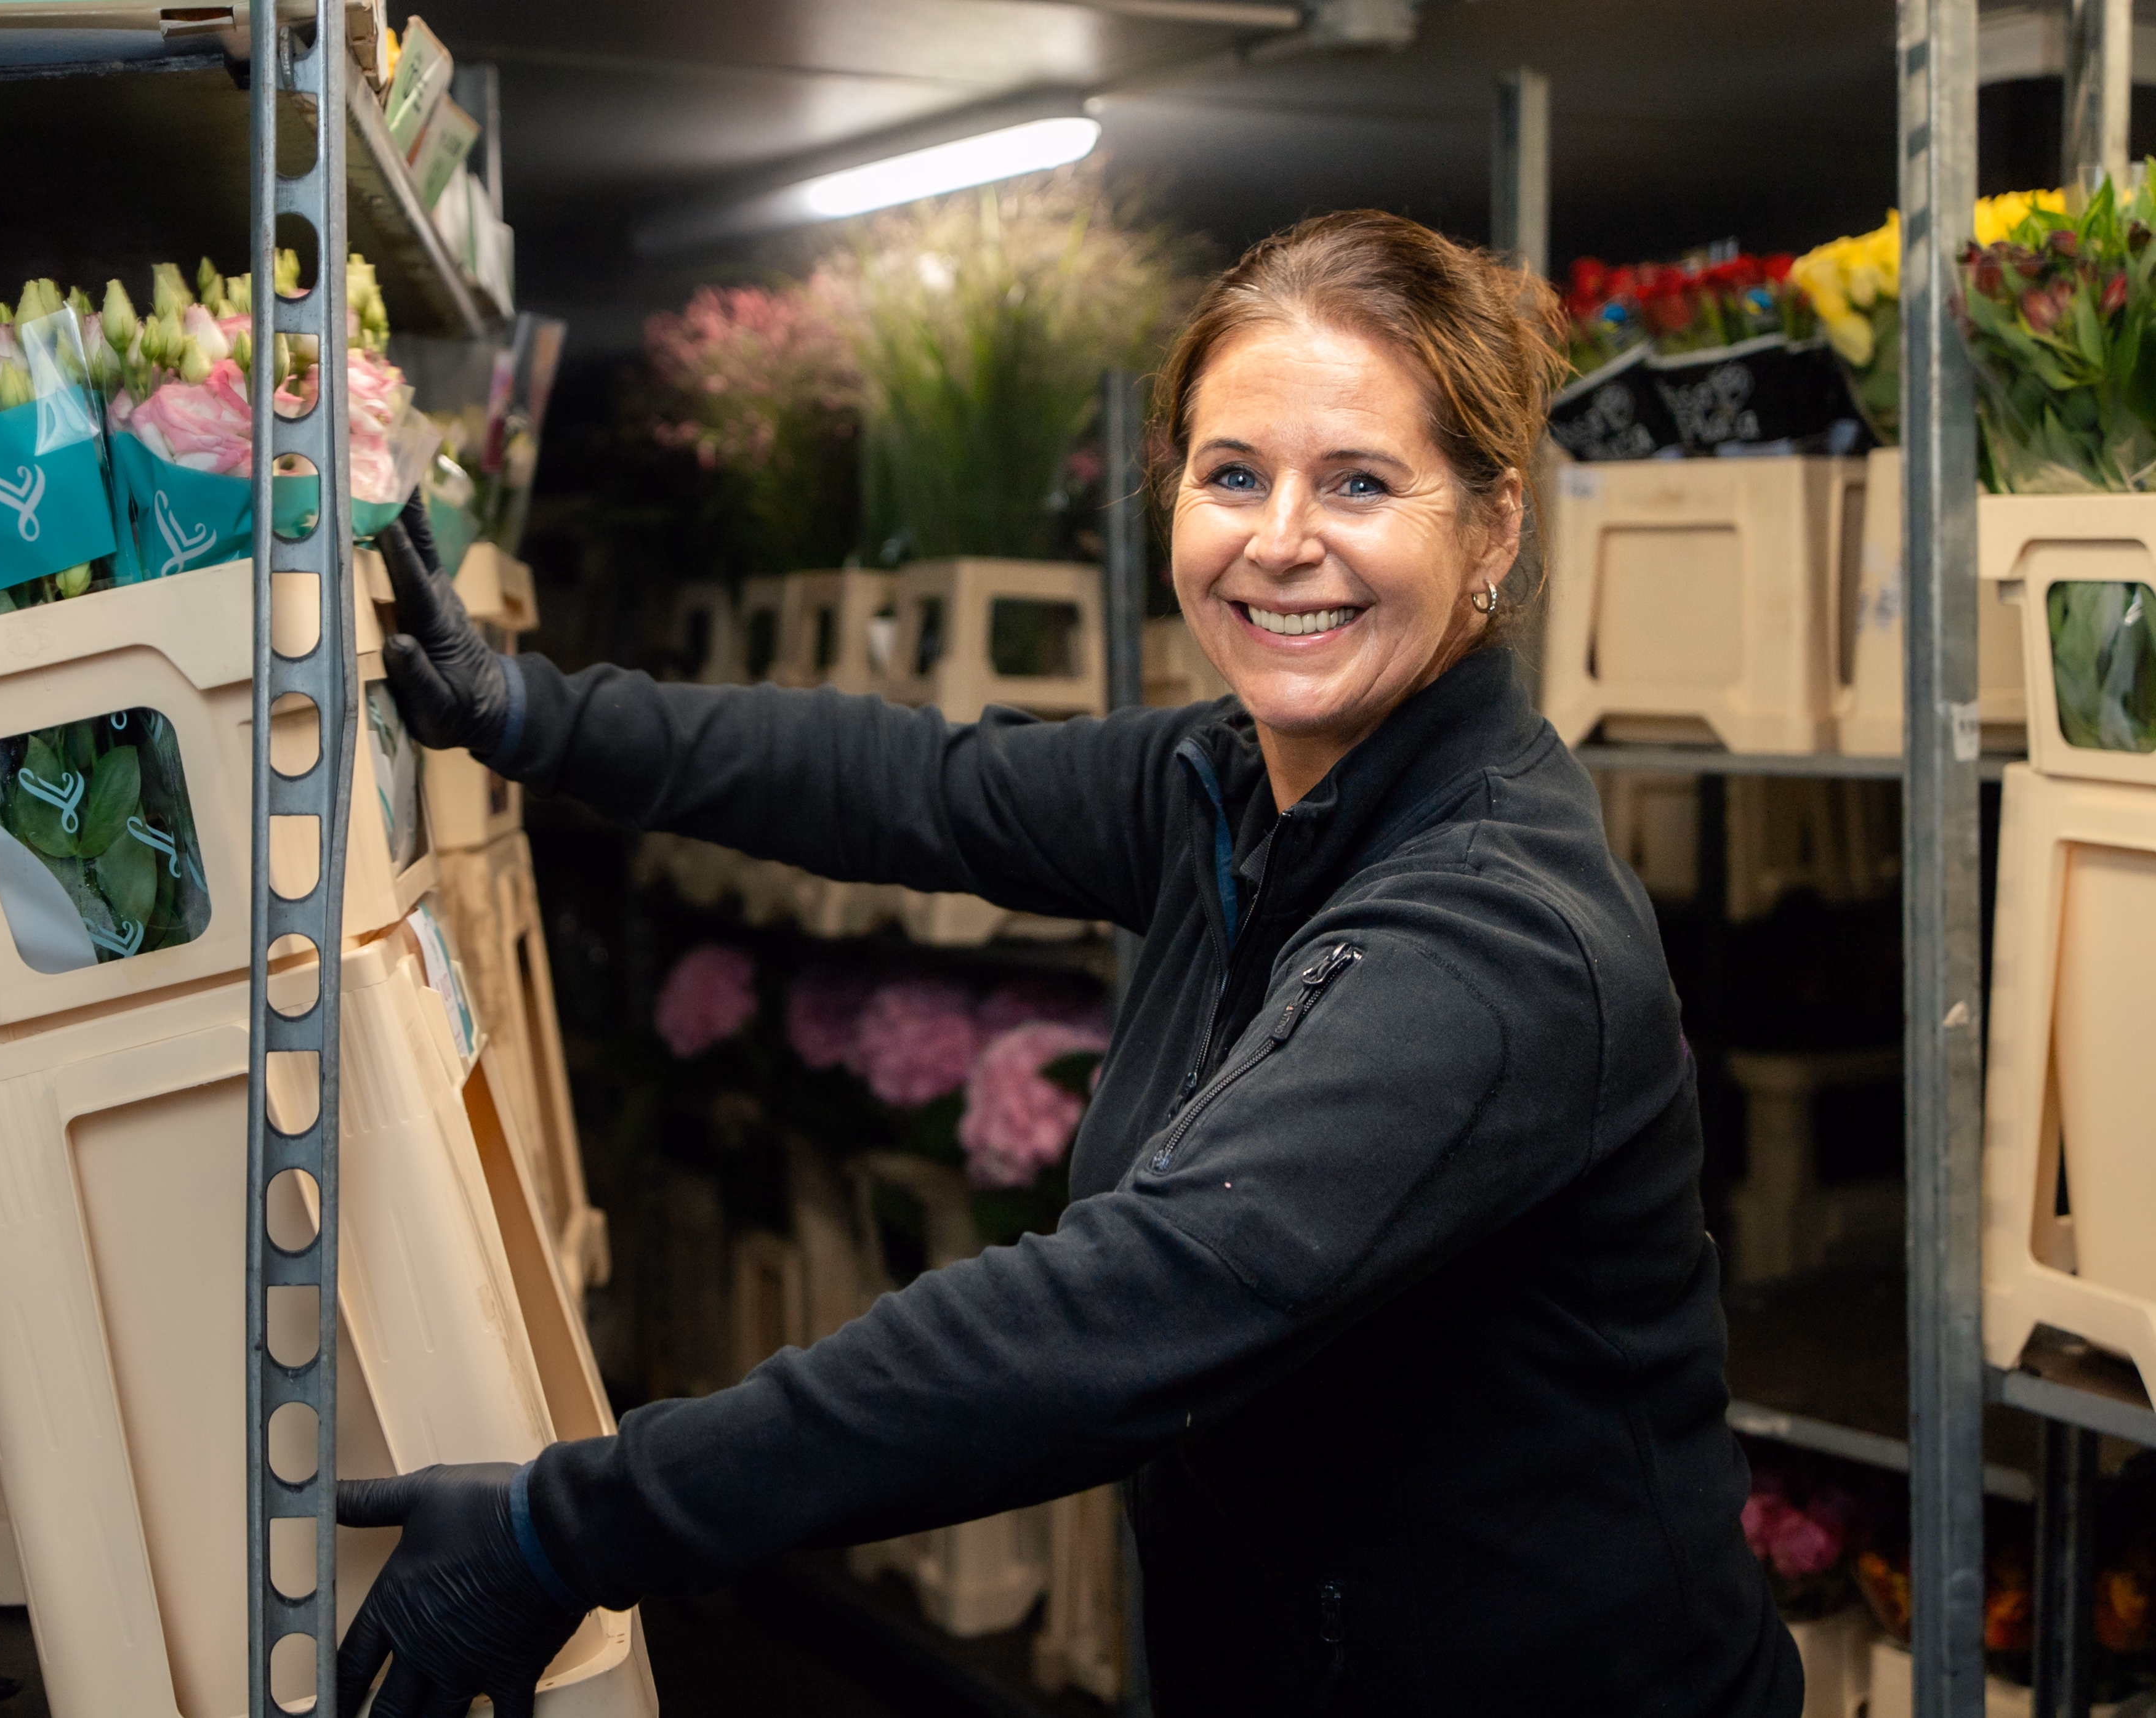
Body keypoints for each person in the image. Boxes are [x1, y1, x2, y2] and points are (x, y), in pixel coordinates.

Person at [340, 208, 1798, 1717]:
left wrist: (566, 1525)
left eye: (1360, 483)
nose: (1280, 538)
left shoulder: (1498, 939)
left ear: (1492, 528)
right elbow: (913, 784)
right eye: (1235, 475)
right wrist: (522, 711)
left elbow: (1110, 1319)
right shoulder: (1235, 785)